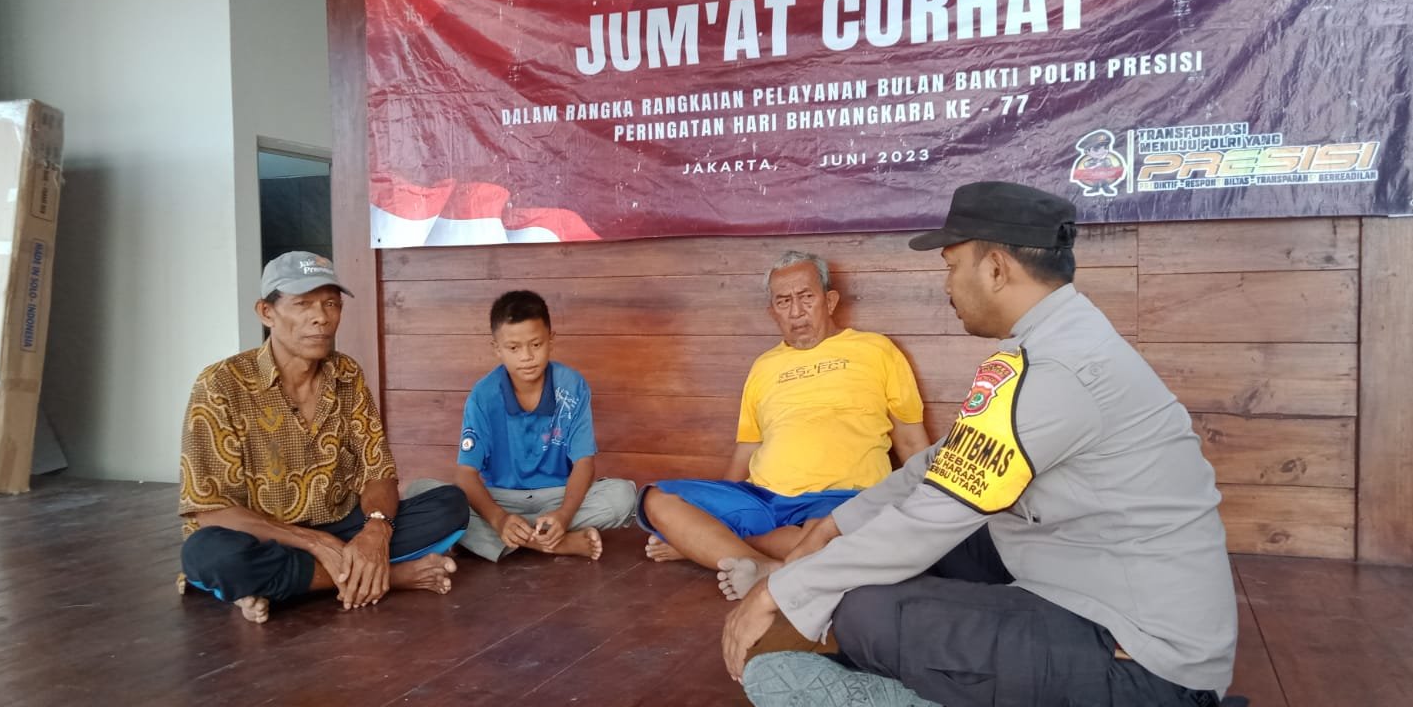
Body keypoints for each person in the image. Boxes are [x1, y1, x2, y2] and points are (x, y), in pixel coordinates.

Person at [720, 182, 1240, 707]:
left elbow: (932, 517)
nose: (947, 285)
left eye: (951, 266)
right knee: (871, 554)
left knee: (862, 609)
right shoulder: (1050, 343)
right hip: (1075, 569)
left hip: (1149, 667)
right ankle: (922, 669)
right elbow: (940, 461)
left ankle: (915, 686)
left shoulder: (1058, 370)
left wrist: (776, 592)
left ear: (995, 268)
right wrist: (836, 525)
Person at [177, 251, 469, 623]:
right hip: (265, 536)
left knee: (450, 506)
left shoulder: (346, 373)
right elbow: (211, 511)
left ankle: (285, 582)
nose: (322, 317)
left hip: (341, 525)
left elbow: (378, 471)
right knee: (209, 555)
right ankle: (391, 577)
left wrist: (377, 529)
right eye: (303, 304)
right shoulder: (220, 385)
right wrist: (316, 543)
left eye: (331, 303)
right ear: (267, 313)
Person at [640, 250, 929, 577]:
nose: (796, 311)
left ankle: (714, 548)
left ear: (830, 301)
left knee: (829, 535)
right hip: (763, 499)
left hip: (839, 500)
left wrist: (929, 509)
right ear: (772, 312)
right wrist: (714, 514)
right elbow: (747, 448)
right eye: (783, 301)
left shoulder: (877, 350)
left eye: (806, 297)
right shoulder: (762, 367)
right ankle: (765, 566)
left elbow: (910, 441)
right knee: (657, 498)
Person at [406, 289, 636, 561]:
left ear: (551, 340)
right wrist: (499, 518)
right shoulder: (483, 395)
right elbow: (466, 474)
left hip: (558, 496)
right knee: (420, 491)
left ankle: (504, 538)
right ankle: (551, 543)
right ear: (497, 348)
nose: (526, 356)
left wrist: (564, 515)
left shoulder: (572, 387)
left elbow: (584, 462)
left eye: (535, 345)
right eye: (514, 348)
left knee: (623, 496)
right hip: (500, 500)